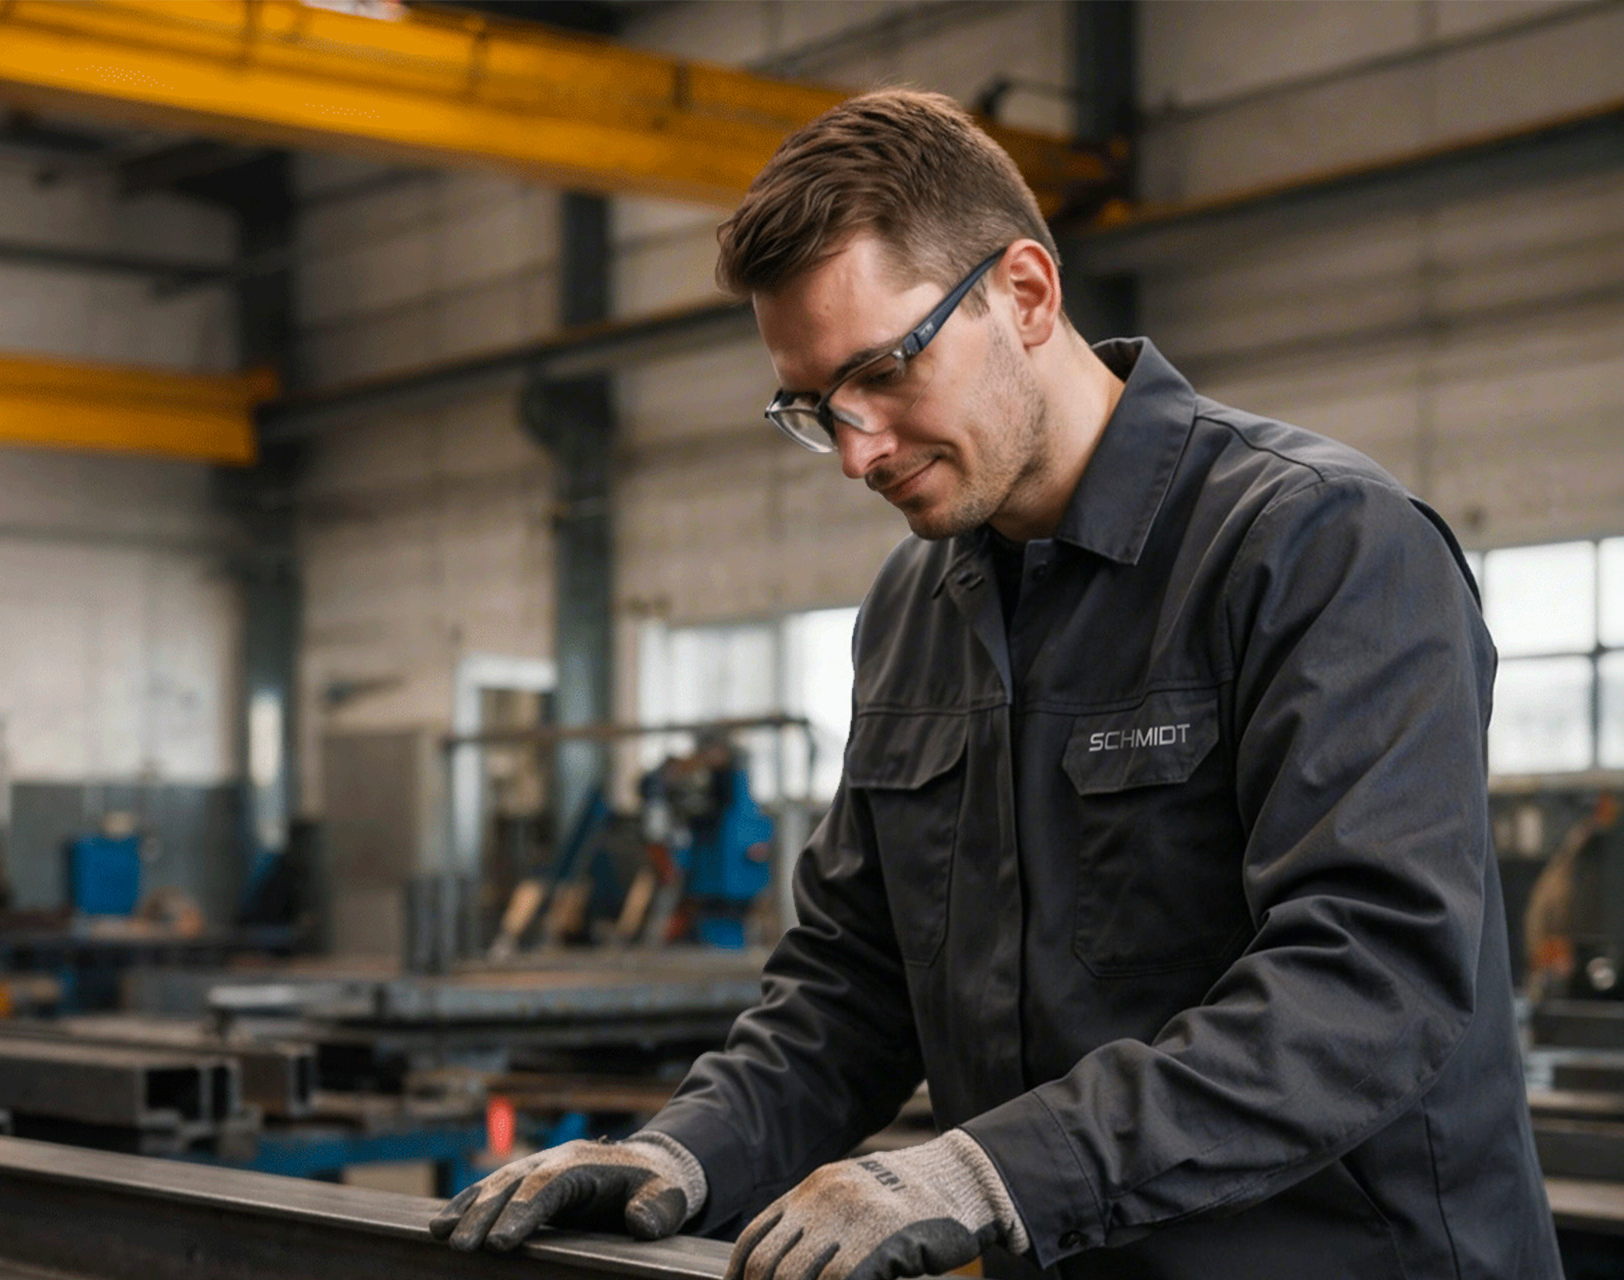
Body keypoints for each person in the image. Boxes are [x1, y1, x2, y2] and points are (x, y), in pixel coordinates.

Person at [431, 89, 1562, 1280]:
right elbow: (854, 981)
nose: (859, 449)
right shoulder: (915, 610)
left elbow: (1368, 985)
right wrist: (686, 1154)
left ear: (1025, 293)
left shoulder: (1320, 546)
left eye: (881, 372)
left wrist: (993, 1170)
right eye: (816, 409)